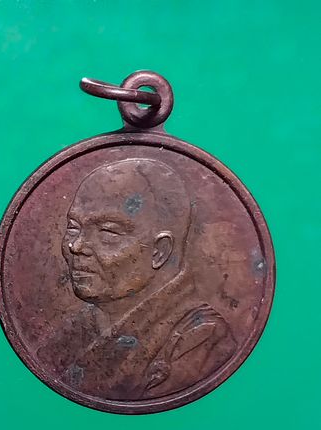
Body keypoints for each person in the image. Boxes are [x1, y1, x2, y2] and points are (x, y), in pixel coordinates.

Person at [37, 158, 236, 399]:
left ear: (159, 251)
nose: (76, 246)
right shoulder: (71, 332)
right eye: (73, 228)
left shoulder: (200, 339)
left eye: (107, 232)